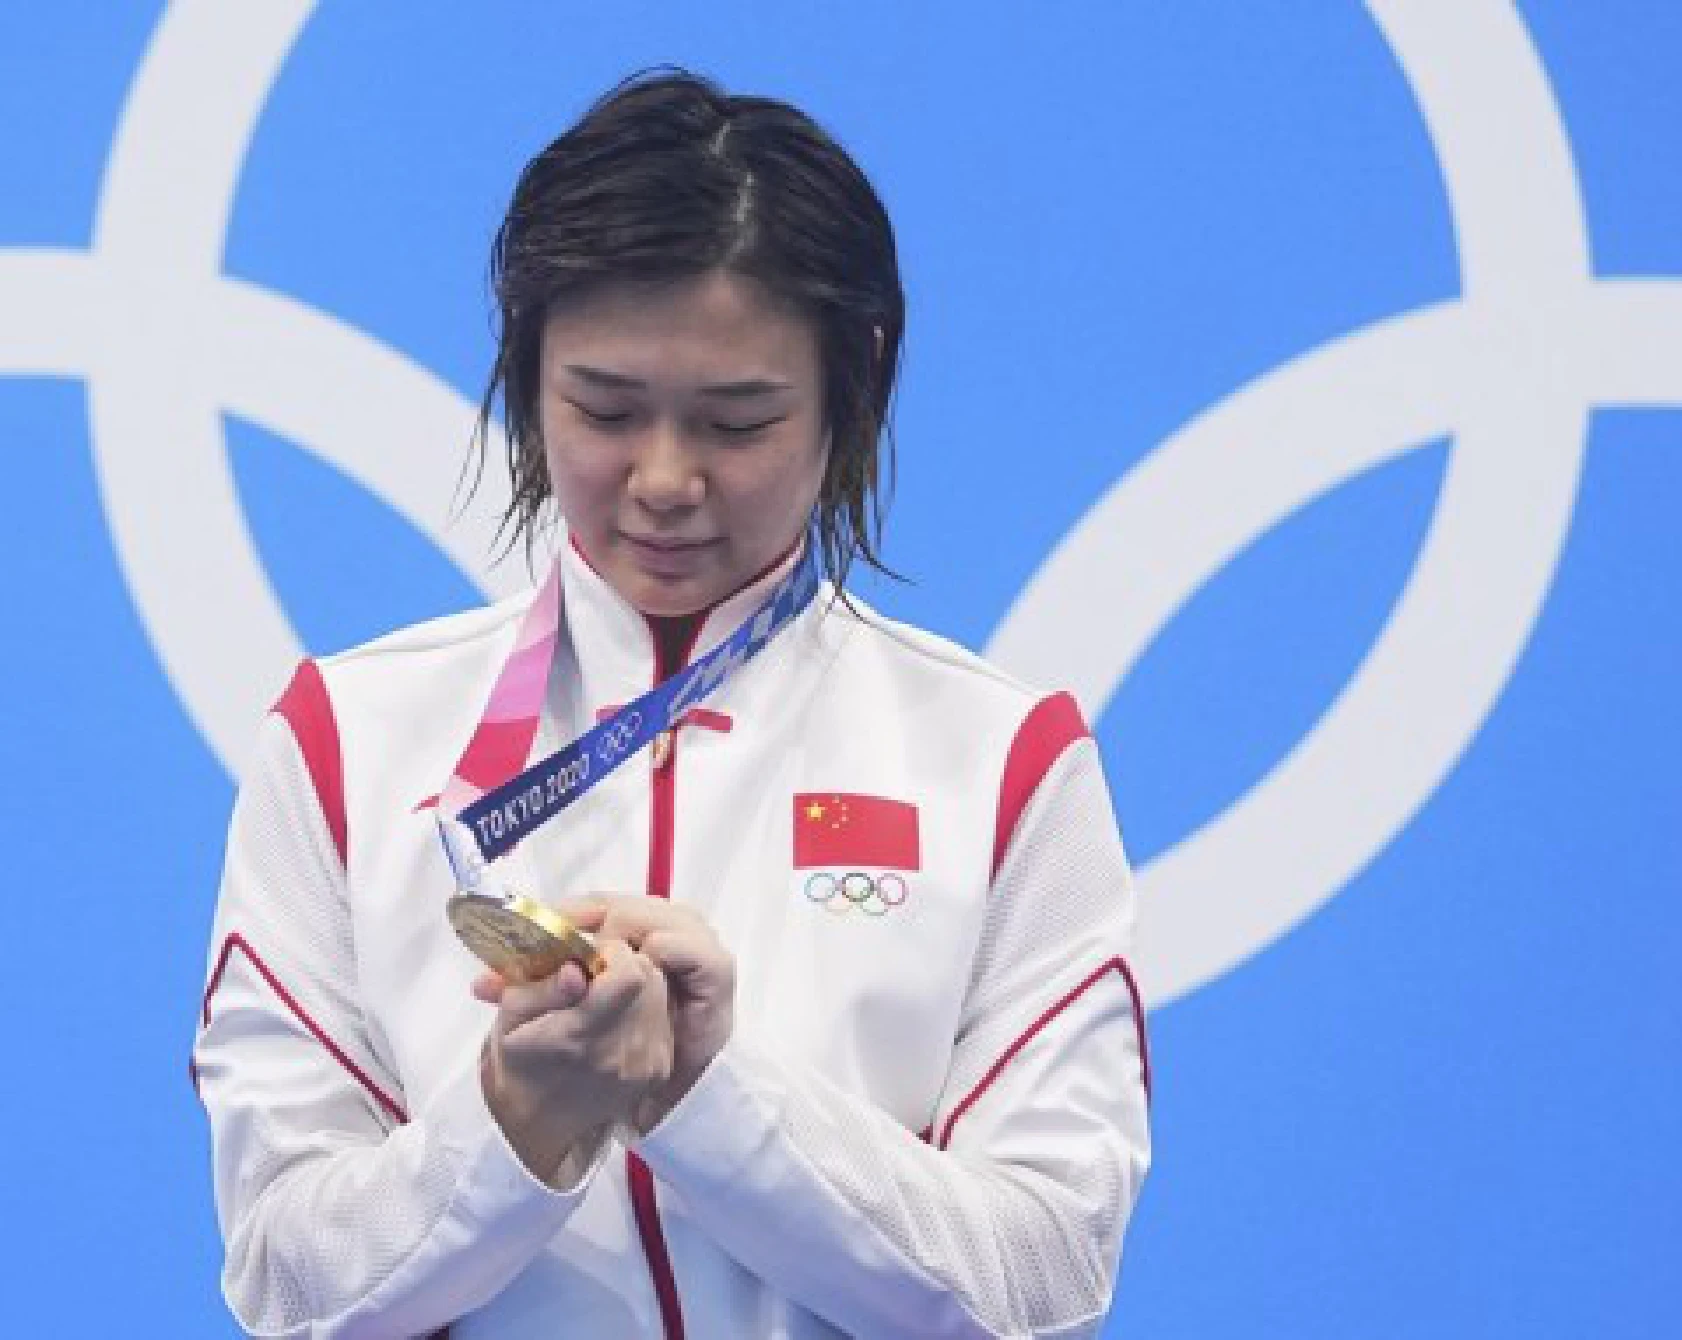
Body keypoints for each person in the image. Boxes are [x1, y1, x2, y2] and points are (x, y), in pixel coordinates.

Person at [193, 69, 1151, 1338]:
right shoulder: (345, 742)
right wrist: (514, 1120)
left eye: (736, 419)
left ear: (852, 384)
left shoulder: (1002, 761)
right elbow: (285, 1279)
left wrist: (712, 1092)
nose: (663, 478)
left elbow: (1045, 1278)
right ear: (524, 369)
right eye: (604, 408)